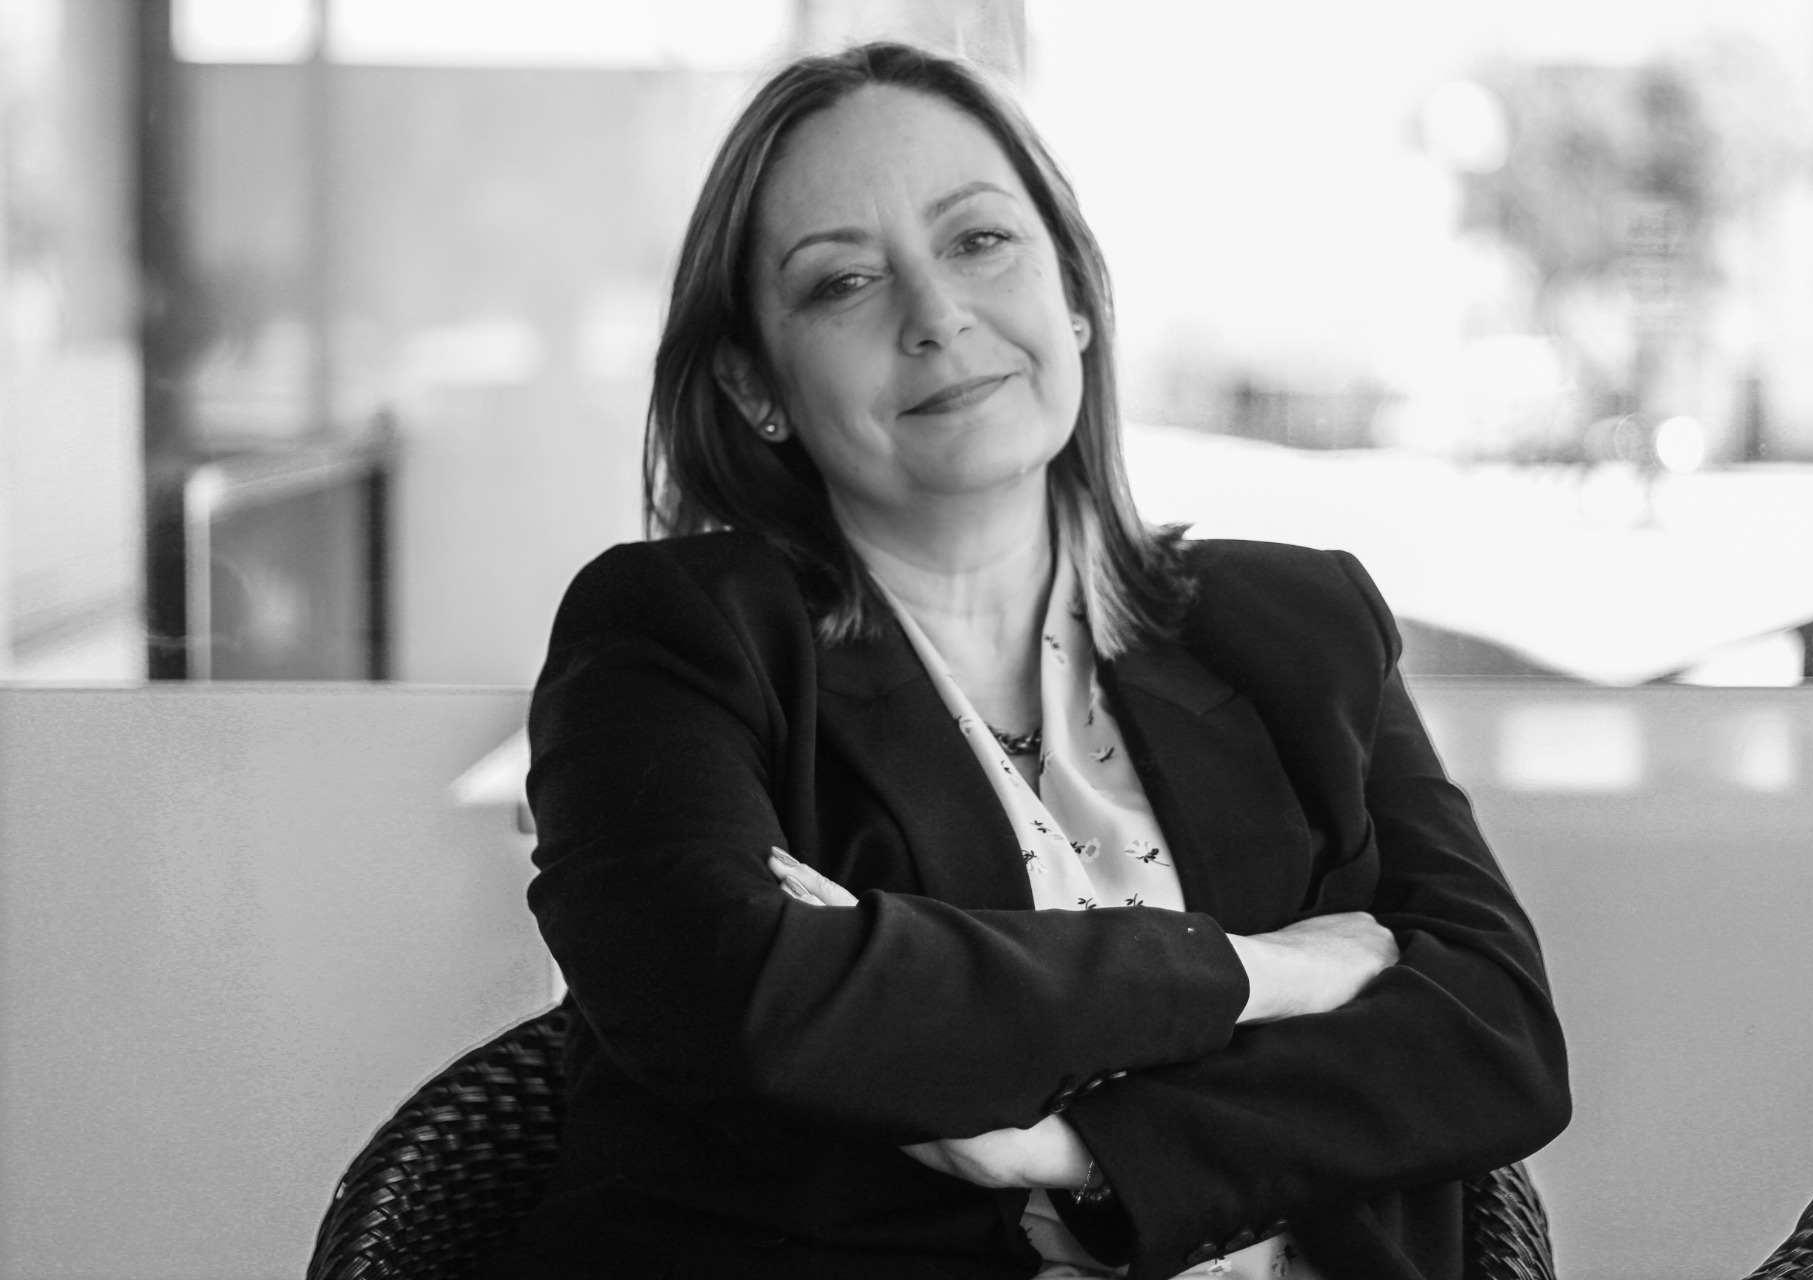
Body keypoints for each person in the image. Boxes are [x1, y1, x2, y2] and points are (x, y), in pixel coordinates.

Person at [496, 40, 1570, 1280]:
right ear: (754, 384)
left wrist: (1075, 1148)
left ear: (1074, 296)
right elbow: (744, 999)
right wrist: (1261, 973)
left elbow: (1493, 1036)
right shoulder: (671, 635)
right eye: (844, 281)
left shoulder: (1300, 622)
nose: (936, 316)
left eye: (980, 241)